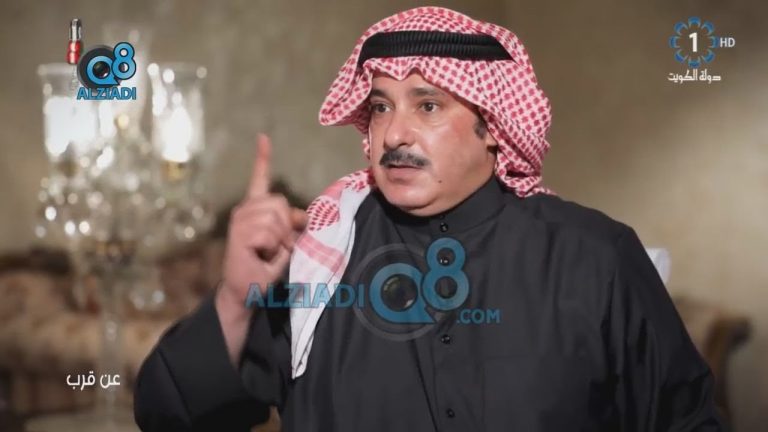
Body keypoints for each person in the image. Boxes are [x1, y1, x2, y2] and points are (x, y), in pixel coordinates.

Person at [134, 7, 726, 431]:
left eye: (428, 105)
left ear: (493, 126)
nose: (393, 134)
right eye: (381, 107)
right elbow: (169, 415)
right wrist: (236, 299)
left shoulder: (593, 256)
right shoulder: (321, 254)